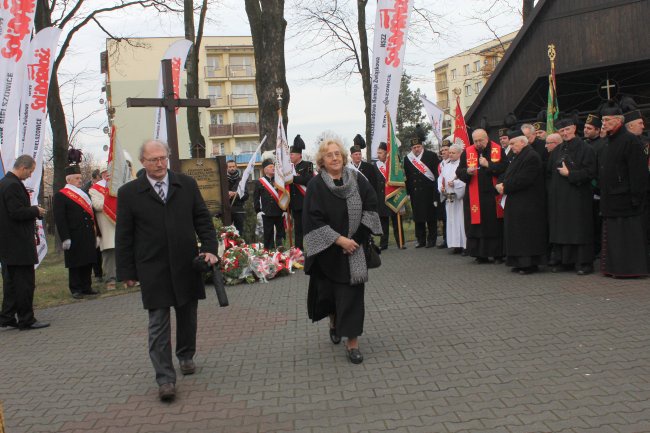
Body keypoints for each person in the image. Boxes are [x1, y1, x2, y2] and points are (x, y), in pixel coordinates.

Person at [116, 139, 218, 402]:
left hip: (186, 264)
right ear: (143, 162)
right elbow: (124, 235)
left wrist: (209, 248)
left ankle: (186, 355)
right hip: (152, 268)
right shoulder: (129, 193)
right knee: (158, 324)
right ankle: (165, 379)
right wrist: (126, 271)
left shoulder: (186, 185)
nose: (159, 164)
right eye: (153, 160)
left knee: (187, 316)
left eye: (163, 158)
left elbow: (202, 220)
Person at [303, 135, 382, 365]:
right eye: (329, 155)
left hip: (354, 249)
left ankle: (353, 343)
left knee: (352, 297)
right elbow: (312, 219)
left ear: (344, 157)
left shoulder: (357, 179)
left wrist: (354, 240)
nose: (334, 158)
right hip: (327, 251)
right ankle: (333, 320)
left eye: (337, 153)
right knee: (329, 295)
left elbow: (371, 205)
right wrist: (339, 240)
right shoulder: (316, 186)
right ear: (322, 161)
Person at [598, 105, 649, 277]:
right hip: (611, 199)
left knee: (628, 238)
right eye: (603, 120)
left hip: (625, 199)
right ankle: (615, 268)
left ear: (619, 120)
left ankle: (629, 269)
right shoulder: (609, 141)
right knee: (615, 238)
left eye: (607, 120)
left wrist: (636, 197)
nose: (603, 123)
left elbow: (638, 173)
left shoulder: (630, 140)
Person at [0, 155, 49, 330]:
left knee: (11, 283)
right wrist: (35, 210)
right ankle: (26, 319)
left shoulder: (4, 183)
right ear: (22, 167)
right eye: (30, 171)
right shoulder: (12, 185)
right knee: (24, 283)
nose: (30, 175)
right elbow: (16, 212)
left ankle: (7, 317)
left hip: (7, 244)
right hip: (18, 243)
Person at [546, 116, 596, 275]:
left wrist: (570, 174)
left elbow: (591, 173)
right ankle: (564, 261)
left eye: (567, 129)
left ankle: (584, 263)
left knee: (579, 231)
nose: (565, 133)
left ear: (574, 128)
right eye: (561, 131)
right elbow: (548, 172)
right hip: (560, 199)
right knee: (562, 231)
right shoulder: (557, 150)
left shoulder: (586, 148)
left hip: (578, 197)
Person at [496, 131, 547, 274]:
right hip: (517, 201)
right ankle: (518, 262)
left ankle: (529, 264)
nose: (510, 146)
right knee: (517, 234)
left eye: (513, 143)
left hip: (528, 203)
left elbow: (524, 179)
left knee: (526, 234)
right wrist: (500, 183)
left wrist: (505, 186)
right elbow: (507, 173)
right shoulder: (518, 156)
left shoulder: (531, 156)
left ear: (523, 142)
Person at [456, 128, 509, 263]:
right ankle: (480, 255)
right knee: (477, 225)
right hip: (475, 196)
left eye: (481, 140)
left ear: (487, 138)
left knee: (494, 225)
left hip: (493, 194)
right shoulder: (467, 152)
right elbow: (459, 171)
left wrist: (489, 165)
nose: (478, 143)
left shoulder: (497, 149)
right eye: (475, 141)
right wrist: (467, 172)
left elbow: (505, 168)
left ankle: (498, 254)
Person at [54, 164, 99, 299]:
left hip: (87, 233)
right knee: (75, 262)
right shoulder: (61, 196)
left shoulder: (84, 194)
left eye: (80, 178)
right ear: (69, 180)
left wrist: (96, 233)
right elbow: (60, 219)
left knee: (88, 260)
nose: (80, 180)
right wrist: (65, 237)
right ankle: (76, 288)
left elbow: (92, 215)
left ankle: (87, 286)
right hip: (73, 234)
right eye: (77, 178)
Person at [403, 126, 440, 248]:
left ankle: (432, 239)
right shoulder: (408, 159)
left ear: (422, 146)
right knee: (418, 217)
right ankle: (421, 239)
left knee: (431, 217)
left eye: (418, 147)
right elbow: (407, 177)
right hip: (415, 193)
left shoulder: (431, 156)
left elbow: (436, 175)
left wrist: (436, 192)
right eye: (414, 148)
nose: (416, 149)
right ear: (411, 149)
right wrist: (408, 192)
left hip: (429, 192)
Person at [89, 165, 118, 290]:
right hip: (106, 225)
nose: (108, 175)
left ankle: (128, 278)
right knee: (109, 254)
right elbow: (96, 205)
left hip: (120, 222)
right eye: (106, 173)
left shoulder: (118, 186)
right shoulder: (95, 189)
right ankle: (110, 279)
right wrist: (111, 203)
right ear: (102, 175)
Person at [375, 142, 405, 250]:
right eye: (378, 153)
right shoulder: (376, 166)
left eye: (381, 153)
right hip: (382, 197)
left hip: (393, 196)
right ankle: (384, 244)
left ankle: (401, 242)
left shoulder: (393, 166)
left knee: (397, 221)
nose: (379, 155)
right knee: (384, 222)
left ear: (386, 153)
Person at [583, 113, 606, 255]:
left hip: (596, 189)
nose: (585, 130)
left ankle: (598, 249)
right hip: (584, 190)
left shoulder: (603, 144)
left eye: (589, 128)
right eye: (585, 127)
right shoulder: (583, 143)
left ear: (598, 130)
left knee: (597, 222)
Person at [438, 143, 466, 254]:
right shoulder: (447, 166)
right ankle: (455, 244)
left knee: (461, 221)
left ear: (460, 153)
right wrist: (442, 188)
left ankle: (464, 245)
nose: (450, 154)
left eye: (453, 153)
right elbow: (441, 179)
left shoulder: (462, 166)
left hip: (460, 199)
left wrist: (455, 184)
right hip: (449, 199)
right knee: (451, 221)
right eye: (449, 152)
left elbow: (465, 181)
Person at [289, 135, 315, 250]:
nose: (290, 156)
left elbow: (307, 180)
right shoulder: (289, 168)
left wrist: (292, 178)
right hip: (294, 203)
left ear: (299, 155)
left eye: (292, 154)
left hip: (305, 201)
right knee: (298, 229)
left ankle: (312, 248)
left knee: (308, 228)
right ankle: (299, 250)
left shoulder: (307, 165)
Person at [254, 159, 285, 249]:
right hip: (267, 212)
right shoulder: (260, 182)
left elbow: (284, 195)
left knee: (280, 234)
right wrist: (258, 211)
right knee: (268, 235)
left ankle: (281, 252)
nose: (273, 168)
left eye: (273, 167)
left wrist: (285, 210)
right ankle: (269, 252)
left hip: (279, 212)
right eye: (270, 167)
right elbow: (256, 198)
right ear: (265, 170)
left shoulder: (279, 180)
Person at [226, 160, 249, 238]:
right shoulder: (222, 180)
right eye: (230, 167)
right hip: (226, 210)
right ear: (226, 168)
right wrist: (227, 194)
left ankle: (239, 249)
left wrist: (236, 194)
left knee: (239, 234)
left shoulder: (241, 180)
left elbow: (246, 195)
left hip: (238, 210)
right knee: (226, 234)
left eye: (233, 166)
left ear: (236, 167)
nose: (232, 168)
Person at [437, 142, 451, 248]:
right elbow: (439, 179)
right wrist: (440, 188)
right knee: (445, 218)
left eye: (446, 149)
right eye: (442, 150)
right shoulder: (440, 164)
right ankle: (446, 239)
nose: (443, 152)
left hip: (452, 193)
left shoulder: (454, 162)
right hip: (443, 194)